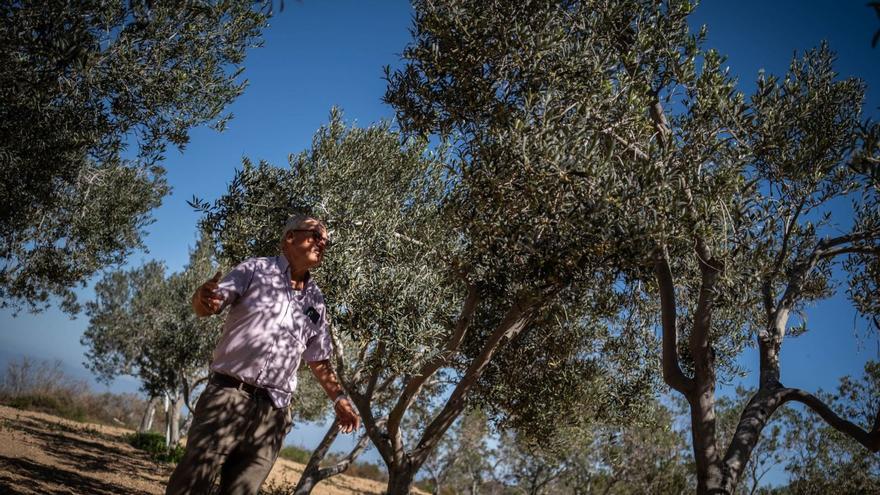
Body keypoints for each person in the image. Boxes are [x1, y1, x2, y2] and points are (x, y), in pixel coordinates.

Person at [165, 214, 360, 495]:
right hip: (228, 394)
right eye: (315, 236)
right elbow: (209, 305)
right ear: (289, 237)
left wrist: (340, 399)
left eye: (326, 241)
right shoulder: (255, 270)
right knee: (191, 484)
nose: (322, 243)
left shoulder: (316, 301)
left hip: (274, 412)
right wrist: (201, 298)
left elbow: (318, 358)